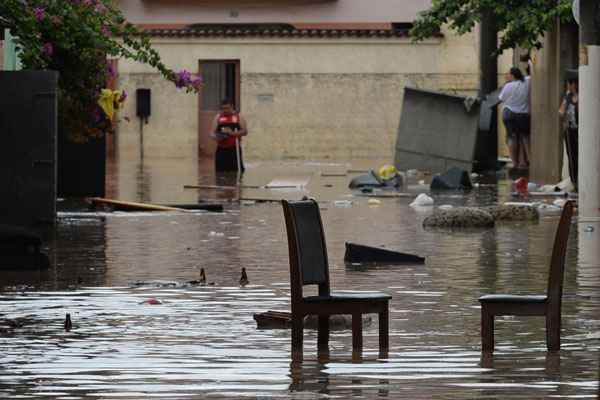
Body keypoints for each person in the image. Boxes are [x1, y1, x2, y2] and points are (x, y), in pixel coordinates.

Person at [499, 67, 531, 170]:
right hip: (523, 115)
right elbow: (533, 73)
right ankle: (526, 161)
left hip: (509, 114)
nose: (506, 76)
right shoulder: (527, 81)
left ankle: (515, 163)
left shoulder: (508, 86)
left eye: (507, 74)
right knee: (524, 137)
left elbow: (501, 99)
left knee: (511, 137)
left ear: (512, 75)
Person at [210, 99, 248, 173]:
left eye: (227, 108)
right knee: (219, 172)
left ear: (232, 107)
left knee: (236, 171)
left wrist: (231, 133)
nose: (225, 110)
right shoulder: (218, 117)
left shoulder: (238, 116)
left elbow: (245, 131)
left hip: (234, 149)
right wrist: (217, 137)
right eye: (223, 108)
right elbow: (212, 133)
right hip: (221, 149)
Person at [559, 77, 579, 190]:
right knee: (572, 155)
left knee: (580, 155)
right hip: (570, 130)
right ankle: (574, 180)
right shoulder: (568, 97)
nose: (568, 87)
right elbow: (561, 111)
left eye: (569, 84)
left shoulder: (582, 96)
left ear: (574, 85)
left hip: (580, 130)